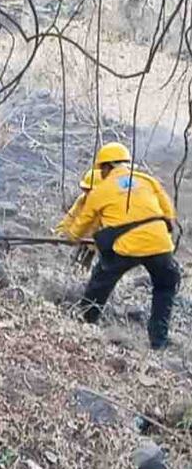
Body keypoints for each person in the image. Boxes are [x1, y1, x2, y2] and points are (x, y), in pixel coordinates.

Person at [63, 142, 181, 349]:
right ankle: (158, 342)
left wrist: (71, 237)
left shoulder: (101, 190)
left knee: (100, 282)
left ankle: (85, 323)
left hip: (126, 248)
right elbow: (169, 212)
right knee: (165, 287)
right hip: (160, 245)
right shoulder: (148, 181)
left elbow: (80, 226)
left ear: (106, 167)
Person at [55, 168, 103, 236]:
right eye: (86, 190)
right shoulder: (83, 200)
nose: (88, 194)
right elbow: (70, 218)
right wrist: (61, 232)